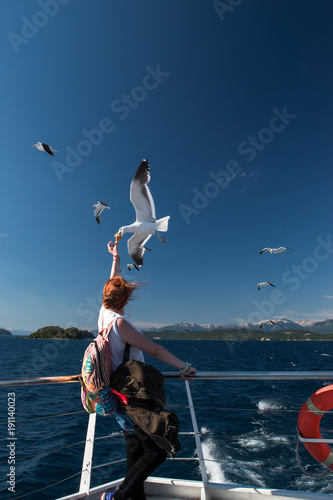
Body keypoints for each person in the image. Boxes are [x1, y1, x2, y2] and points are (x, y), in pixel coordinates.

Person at [99, 241, 196, 500]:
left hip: (115, 396)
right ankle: (116, 498)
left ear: (106, 296)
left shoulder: (103, 314)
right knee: (156, 453)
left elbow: (112, 281)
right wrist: (185, 367)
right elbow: (156, 351)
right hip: (131, 398)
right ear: (127, 298)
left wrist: (115, 257)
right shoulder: (121, 324)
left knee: (135, 453)